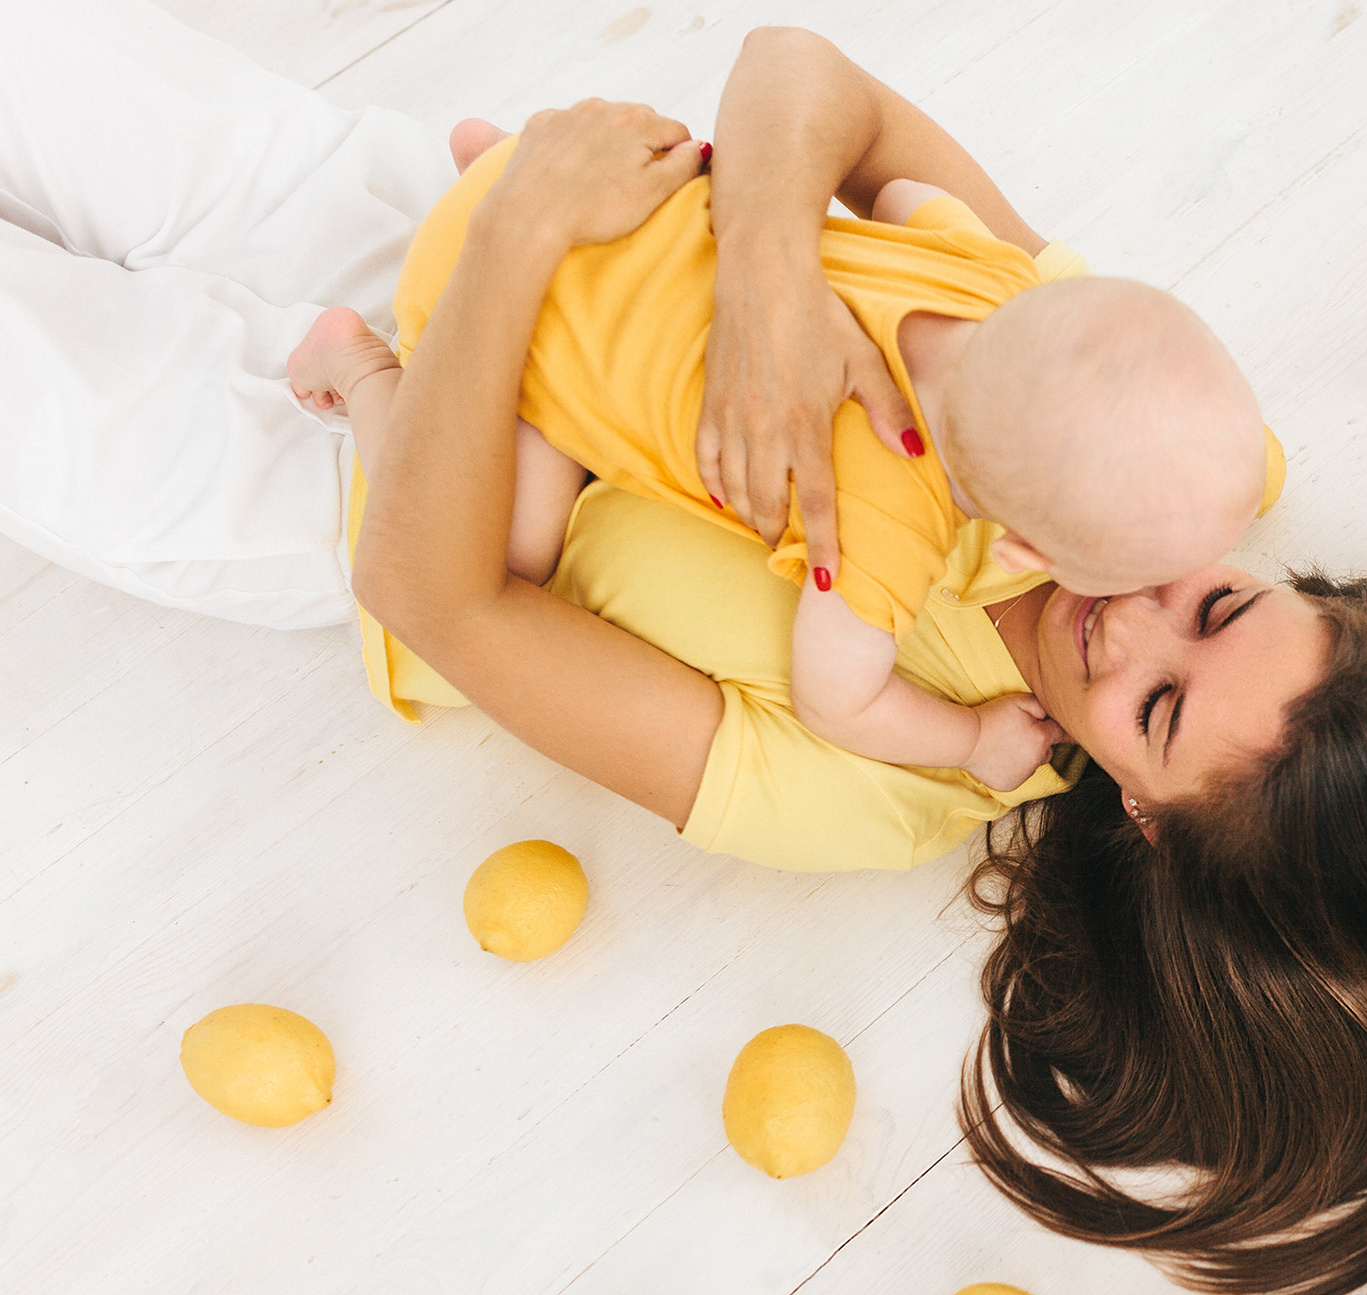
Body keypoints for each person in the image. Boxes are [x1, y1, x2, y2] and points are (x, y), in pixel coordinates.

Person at [3, 7, 1367, 1295]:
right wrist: (755, 272)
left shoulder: (875, 781)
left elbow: (434, 594)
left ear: (1142, 822)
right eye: (1229, 604)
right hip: (409, 210)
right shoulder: (1128, 436)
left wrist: (526, 229)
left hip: (324, 471)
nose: (1138, 610)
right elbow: (814, 84)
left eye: (1162, 703)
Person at [291, 115, 1268, 791]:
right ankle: (367, 370)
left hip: (602, 185)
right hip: (502, 317)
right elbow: (838, 700)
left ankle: (480, 158)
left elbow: (911, 191)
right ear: (1014, 550)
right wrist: (969, 740)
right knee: (509, 556)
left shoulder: (982, 269)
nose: (1146, 605)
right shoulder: (889, 518)